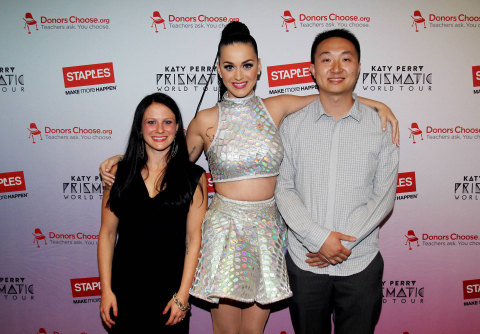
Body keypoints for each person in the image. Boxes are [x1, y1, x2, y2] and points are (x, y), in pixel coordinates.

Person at [99, 22, 398, 334]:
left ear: (259, 68)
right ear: (218, 70)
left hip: (268, 231)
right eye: (229, 66)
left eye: (246, 65)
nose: (238, 75)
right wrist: (124, 159)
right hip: (224, 231)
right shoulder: (206, 120)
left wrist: (378, 105)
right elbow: (168, 159)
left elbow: (332, 95)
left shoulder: (277, 107)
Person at [275, 29, 400, 334]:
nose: (336, 68)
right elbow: (283, 188)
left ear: (358, 67)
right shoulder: (291, 126)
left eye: (346, 59)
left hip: (360, 263)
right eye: (326, 59)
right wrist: (319, 239)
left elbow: (384, 195)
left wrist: (339, 244)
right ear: (312, 69)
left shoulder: (382, 126)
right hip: (307, 264)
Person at [97, 93, 207, 333]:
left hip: (170, 297)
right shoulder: (117, 174)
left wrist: (182, 296)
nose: (160, 129)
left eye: (167, 122)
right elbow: (106, 234)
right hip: (124, 291)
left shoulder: (194, 178)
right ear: (140, 126)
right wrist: (106, 291)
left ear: (177, 127)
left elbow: (193, 239)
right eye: (151, 122)